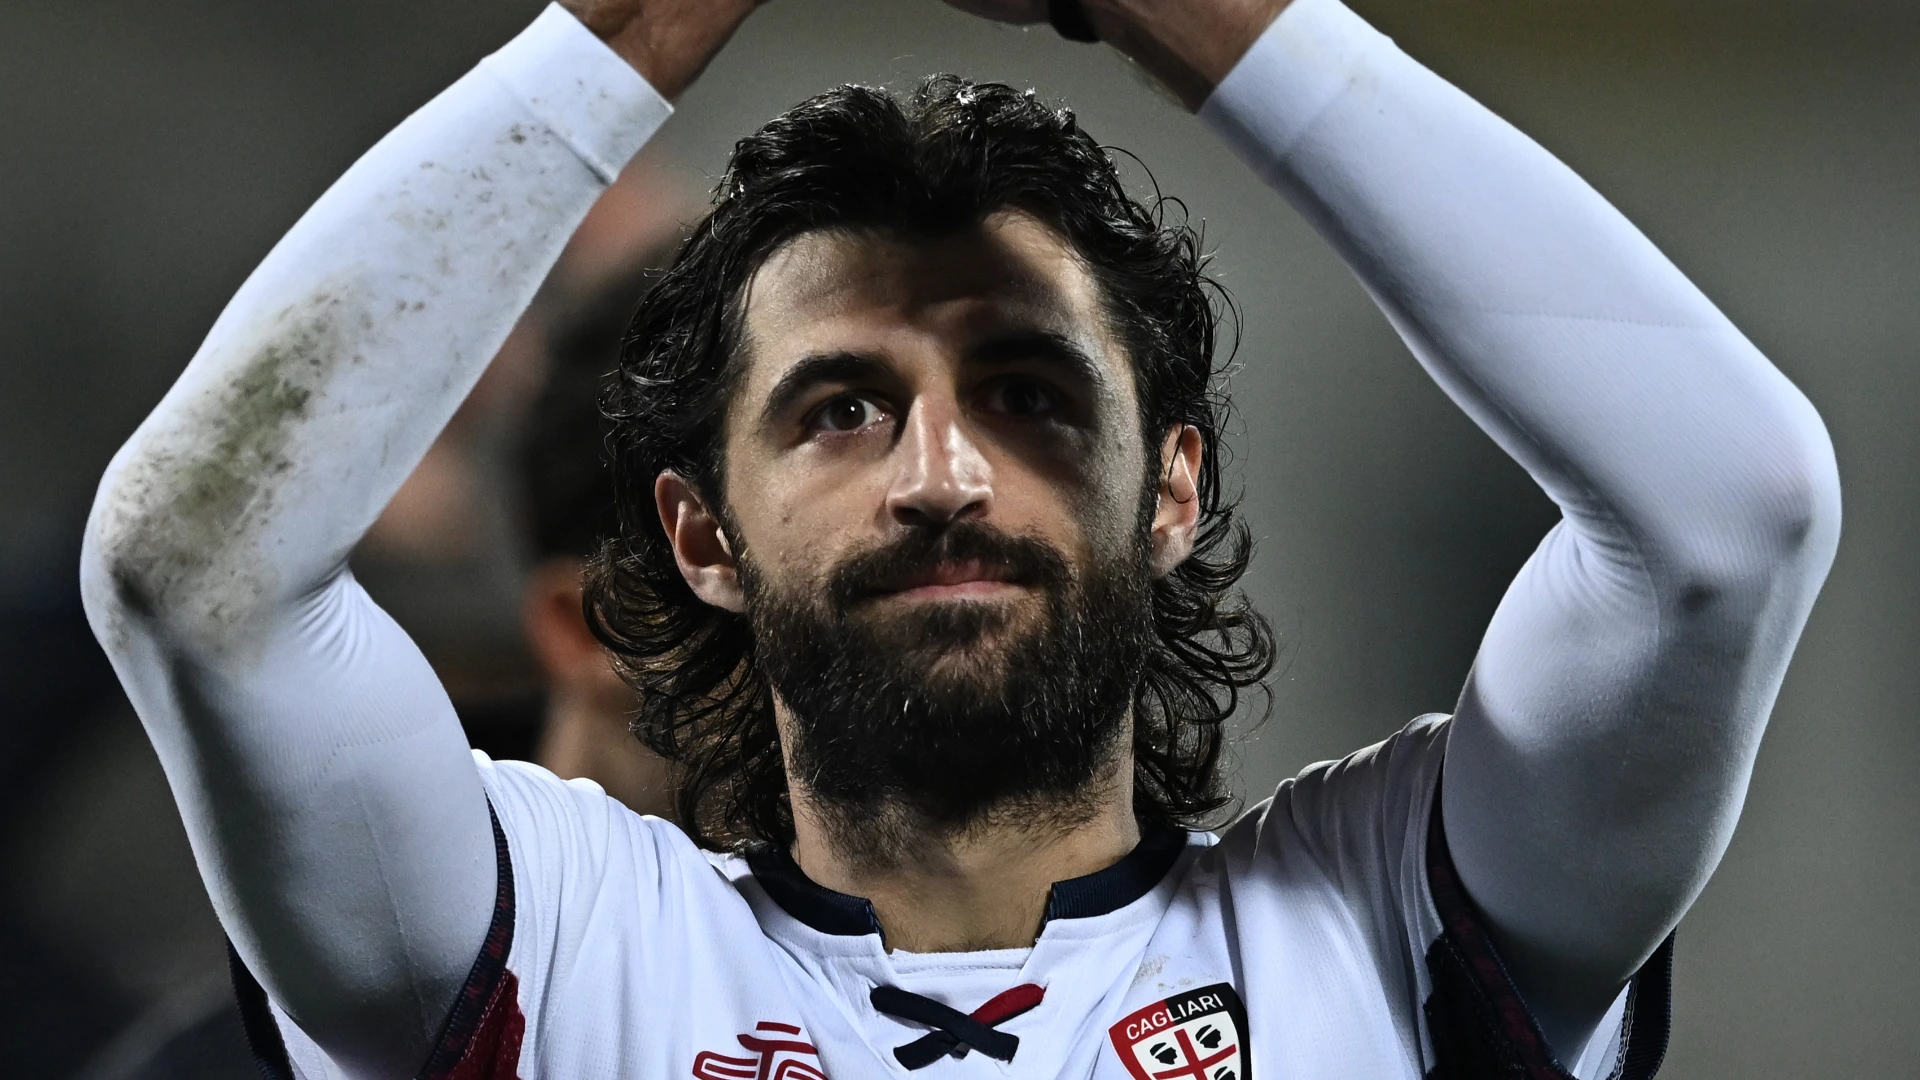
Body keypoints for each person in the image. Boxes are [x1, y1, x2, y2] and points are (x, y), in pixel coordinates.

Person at [78, 0, 1841, 1077]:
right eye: (841, 408)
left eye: (1030, 395)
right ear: (699, 533)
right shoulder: (556, 939)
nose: (942, 474)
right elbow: (191, 565)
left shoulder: (1381, 924)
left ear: (1170, 491)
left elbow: (1732, 514)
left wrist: (1191, 10)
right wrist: (635, 28)